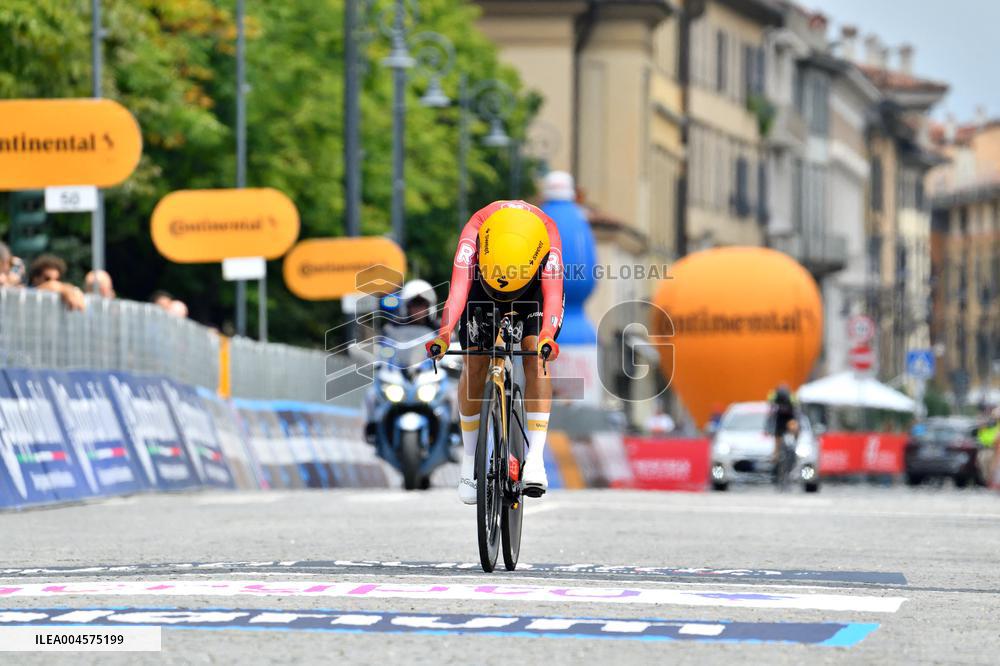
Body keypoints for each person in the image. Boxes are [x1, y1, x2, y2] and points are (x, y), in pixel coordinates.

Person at [427, 200, 564, 503]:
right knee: (474, 361)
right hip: (481, 288)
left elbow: (553, 296)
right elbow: (458, 292)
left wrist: (546, 337)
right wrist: (444, 334)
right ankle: (468, 461)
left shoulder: (547, 236)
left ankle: (536, 459)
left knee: (535, 355)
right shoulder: (474, 234)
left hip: (531, 293)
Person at [767, 383, 798, 464]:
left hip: (781, 420)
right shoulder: (791, 395)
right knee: (793, 429)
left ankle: (775, 456)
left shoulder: (775, 395)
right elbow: (796, 406)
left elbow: (770, 407)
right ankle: (795, 442)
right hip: (788, 419)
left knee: (777, 440)